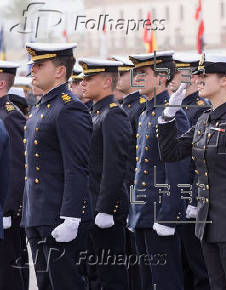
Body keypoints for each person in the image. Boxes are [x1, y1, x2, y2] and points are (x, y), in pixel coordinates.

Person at [158, 52, 226, 290]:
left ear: (225, 80)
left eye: (205, 75)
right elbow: (171, 152)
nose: (197, 80)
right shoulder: (205, 120)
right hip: (208, 227)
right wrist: (168, 115)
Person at [23, 42, 92, 290]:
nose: (33, 69)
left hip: (58, 217)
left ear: (60, 71)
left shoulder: (68, 108)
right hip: (38, 214)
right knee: (45, 284)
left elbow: (77, 167)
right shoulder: (41, 107)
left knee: (66, 284)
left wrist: (72, 217)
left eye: (40, 65)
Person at [129, 51, 190, 290]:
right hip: (143, 212)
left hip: (160, 214)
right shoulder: (146, 112)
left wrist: (169, 216)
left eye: (143, 73)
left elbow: (178, 170)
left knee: (166, 281)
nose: (137, 78)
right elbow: (141, 166)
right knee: (146, 282)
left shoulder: (173, 114)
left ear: (162, 77)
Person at [79, 58, 132, 289]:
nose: (83, 83)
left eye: (89, 78)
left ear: (107, 81)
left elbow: (115, 165)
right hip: (91, 206)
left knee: (111, 276)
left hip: (106, 212)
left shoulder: (113, 115)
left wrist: (106, 208)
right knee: (94, 274)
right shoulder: (95, 112)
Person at [170, 52, 211, 290]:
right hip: (176, 196)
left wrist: (194, 198)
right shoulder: (176, 106)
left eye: (180, 74)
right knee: (182, 265)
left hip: (191, 196)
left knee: (199, 268)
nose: (174, 79)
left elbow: (198, 161)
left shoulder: (199, 109)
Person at [112, 55, 145, 290]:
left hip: (135, 190)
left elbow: (136, 161)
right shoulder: (125, 107)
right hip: (125, 190)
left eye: (121, 74)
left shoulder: (139, 107)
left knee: (136, 258)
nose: (116, 79)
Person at [0, 61, 29, 290]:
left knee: (9, 272)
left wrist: (9, 210)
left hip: (7, 212)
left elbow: (17, 166)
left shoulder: (9, 116)